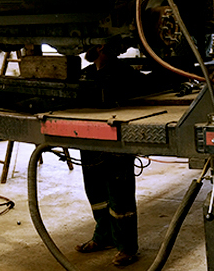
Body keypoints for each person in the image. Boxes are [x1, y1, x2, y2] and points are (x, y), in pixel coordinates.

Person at [75, 44, 141, 267]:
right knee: (95, 191)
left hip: (114, 137)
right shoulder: (86, 73)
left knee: (119, 194)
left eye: (92, 44)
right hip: (88, 135)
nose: (87, 49)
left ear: (103, 46)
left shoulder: (124, 73)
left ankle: (127, 248)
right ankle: (103, 237)